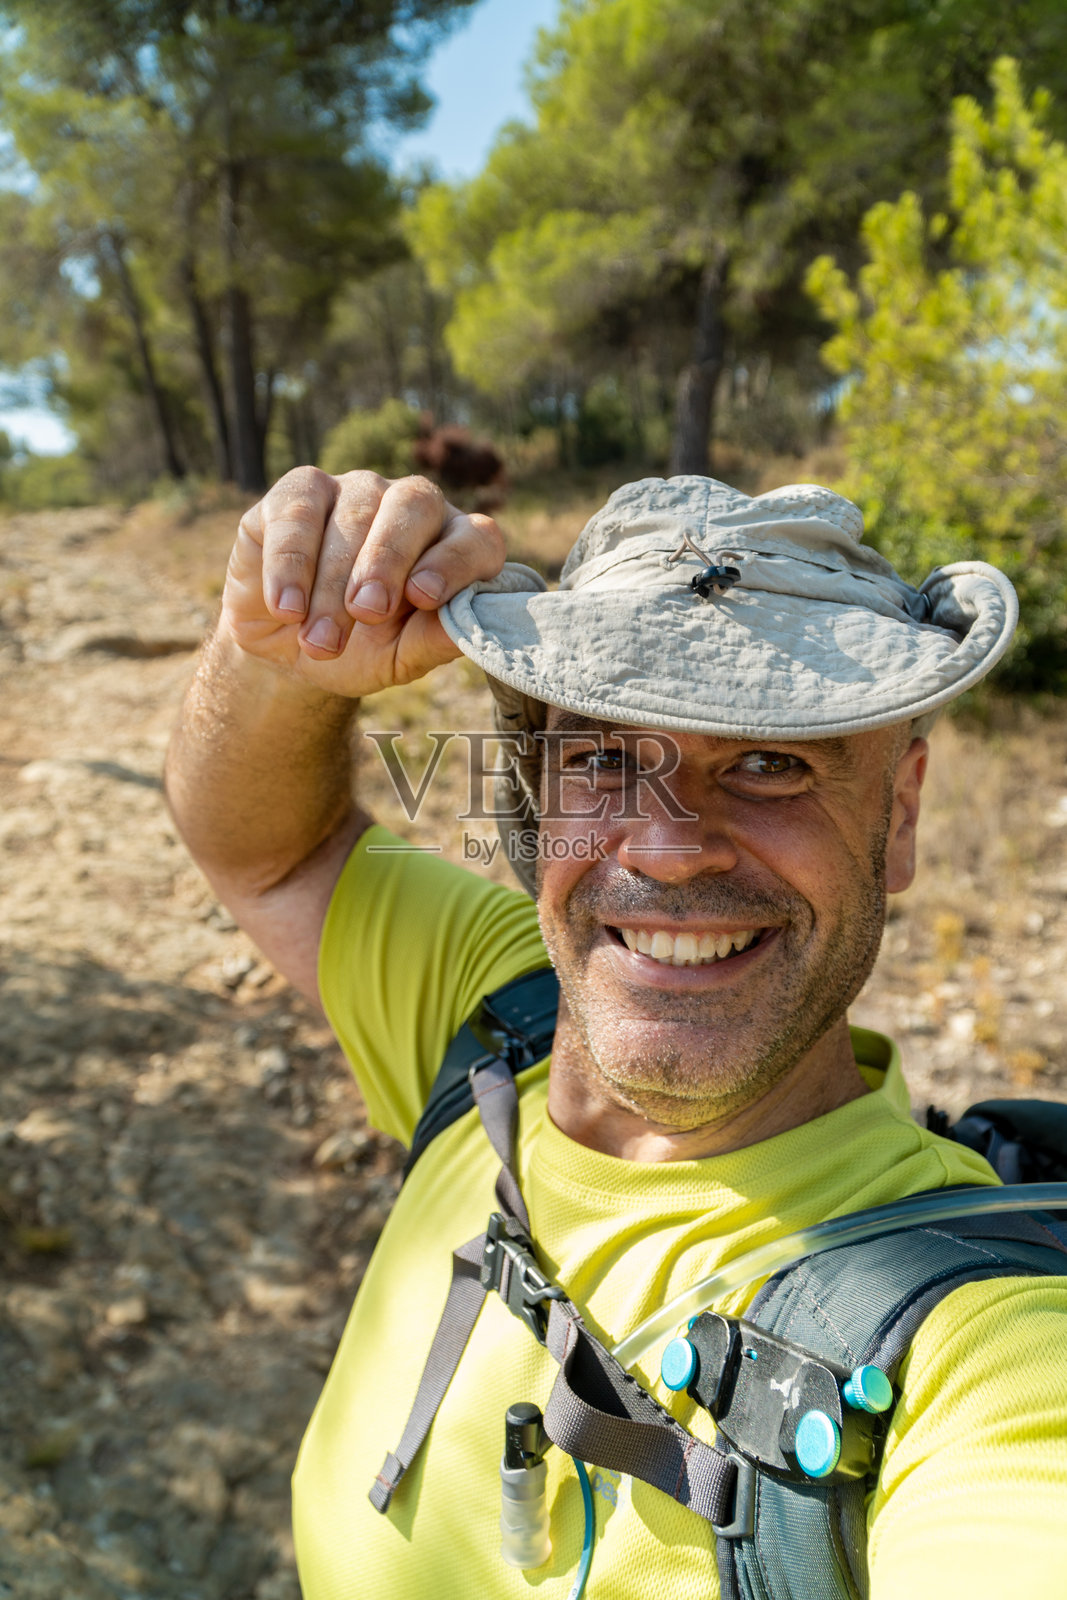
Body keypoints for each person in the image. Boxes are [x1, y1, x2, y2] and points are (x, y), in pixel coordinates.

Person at [165, 467, 1067, 1600]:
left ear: (895, 816)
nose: (666, 848)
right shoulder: (499, 1015)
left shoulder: (986, 1349)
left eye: (767, 762)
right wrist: (275, 654)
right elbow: (265, 849)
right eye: (599, 757)